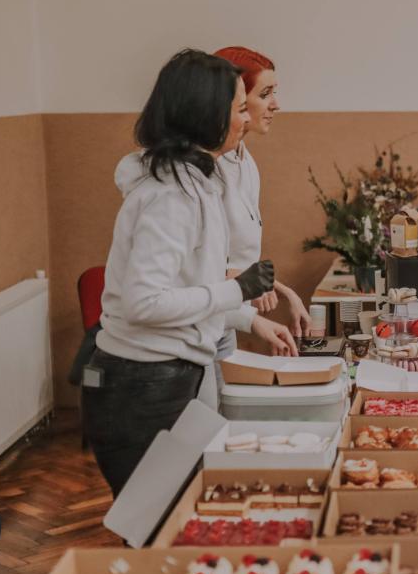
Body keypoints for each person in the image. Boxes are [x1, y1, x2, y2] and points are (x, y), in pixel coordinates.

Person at [85, 50, 296, 495]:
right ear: (207, 115)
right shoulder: (170, 195)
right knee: (158, 513)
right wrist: (237, 290)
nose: (246, 120)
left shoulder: (197, 181)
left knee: (183, 504)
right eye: (239, 108)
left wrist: (247, 313)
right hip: (142, 382)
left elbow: (192, 283)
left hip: (173, 370)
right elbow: (144, 303)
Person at [214, 46, 314, 337]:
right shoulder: (207, 169)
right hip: (205, 319)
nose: (275, 105)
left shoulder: (245, 161)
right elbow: (200, 270)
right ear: (236, 98)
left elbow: (241, 263)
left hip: (229, 318)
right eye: (265, 94)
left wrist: (285, 292)